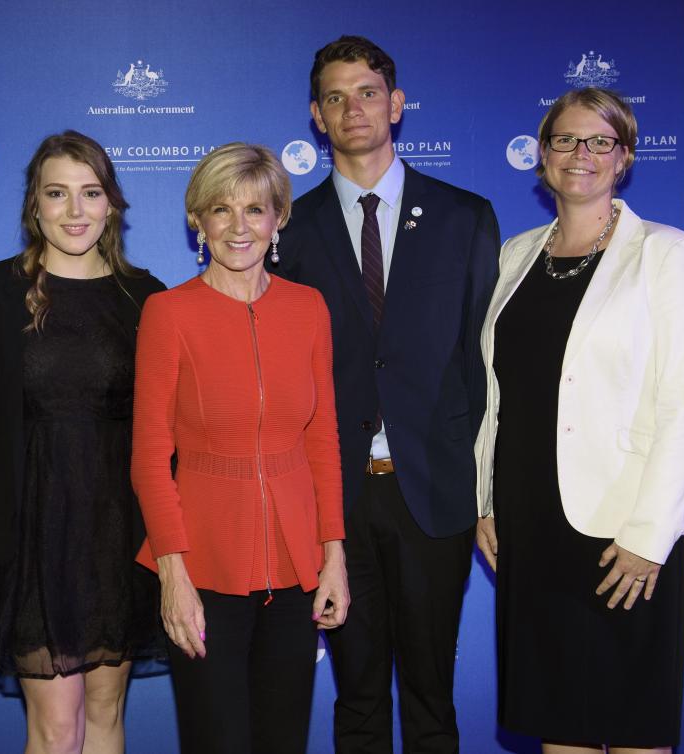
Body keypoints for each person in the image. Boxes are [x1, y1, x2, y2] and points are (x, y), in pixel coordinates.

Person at [272, 36, 500, 754]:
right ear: (316, 115)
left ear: (396, 105)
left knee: (431, 695)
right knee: (358, 695)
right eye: (335, 97)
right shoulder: (287, 229)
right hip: (333, 499)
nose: (353, 108)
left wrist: (490, 489)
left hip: (434, 492)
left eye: (368, 92)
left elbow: (485, 365)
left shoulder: (465, 217)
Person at [473, 88, 684, 754]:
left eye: (600, 141)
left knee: (633, 725)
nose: (581, 155)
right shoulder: (514, 255)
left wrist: (649, 533)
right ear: (543, 156)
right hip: (529, 519)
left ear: (624, 157)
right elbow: (499, 392)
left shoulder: (669, 254)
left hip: (624, 527)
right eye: (565, 140)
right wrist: (487, 501)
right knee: (560, 722)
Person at [132, 142, 349, 754]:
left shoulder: (308, 308)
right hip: (203, 565)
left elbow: (323, 440)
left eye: (255, 209)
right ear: (197, 221)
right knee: (217, 740)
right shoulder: (169, 312)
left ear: (278, 219)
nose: (239, 226)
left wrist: (333, 555)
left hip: (295, 562)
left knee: (283, 741)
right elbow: (150, 454)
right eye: (221, 210)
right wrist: (173, 573)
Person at [0, 130, 165, 754]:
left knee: (105, 720)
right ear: (34, 205)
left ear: (111, 204)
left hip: (119, 531)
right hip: (31, 533)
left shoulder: (146, 298)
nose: (75, 211)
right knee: (54, 730)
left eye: (90, 192)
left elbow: (174, 419)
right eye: (57, 193)